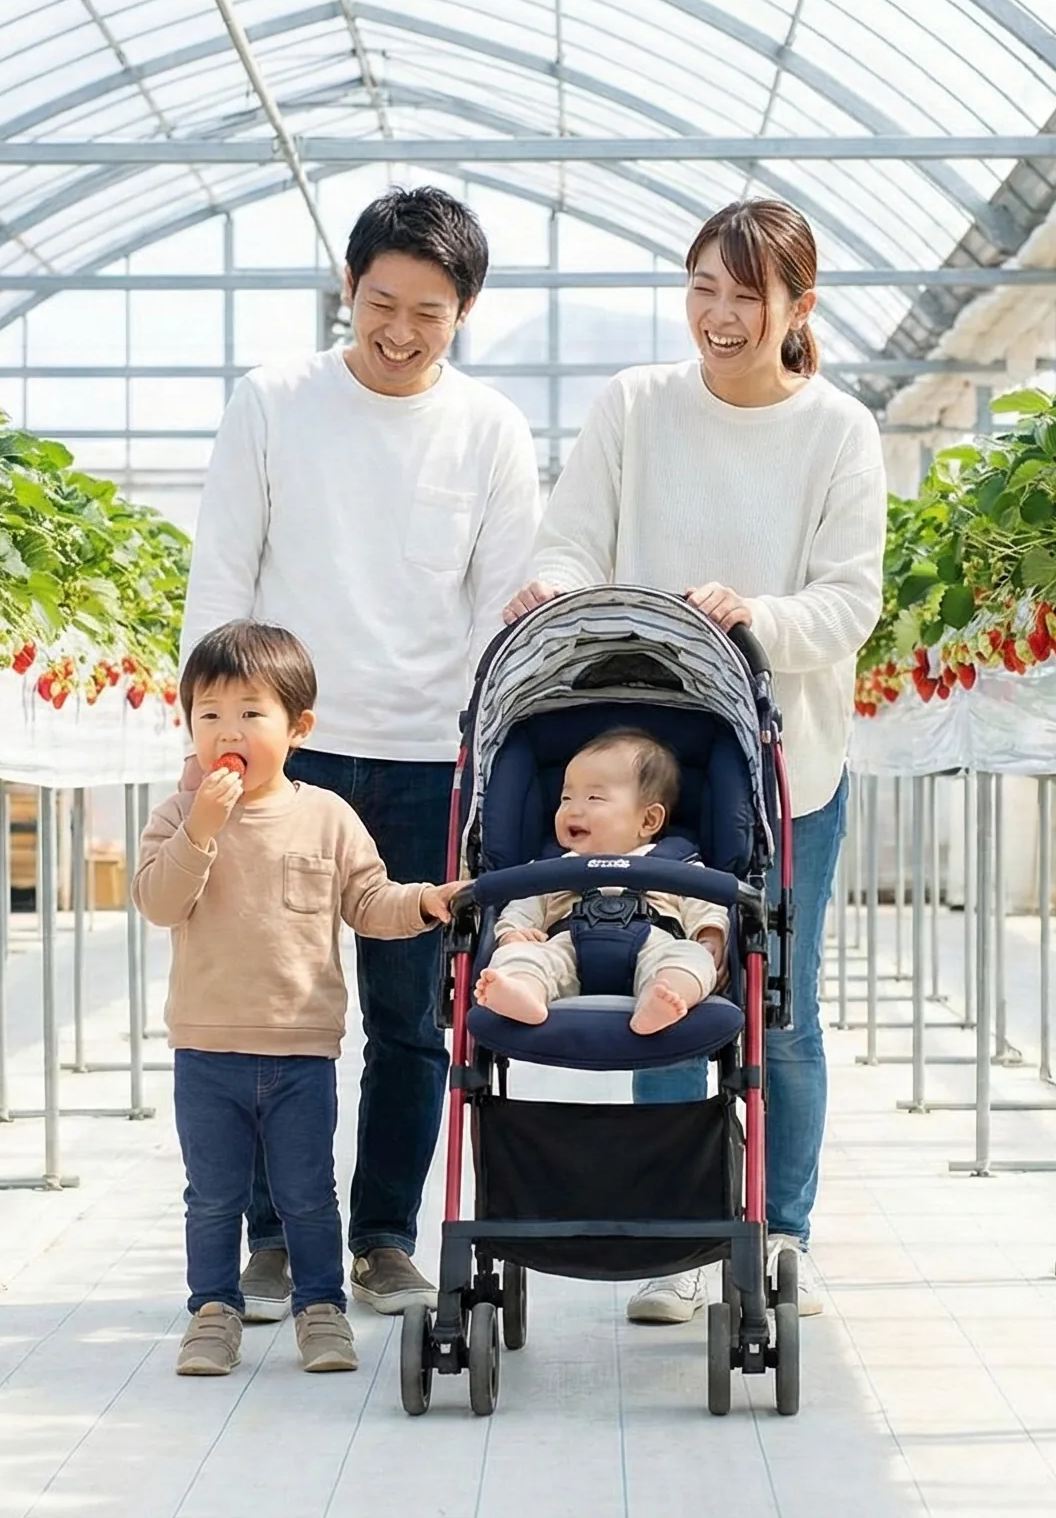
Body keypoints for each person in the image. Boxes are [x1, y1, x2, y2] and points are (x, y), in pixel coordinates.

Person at [504, 199, 884, 1325]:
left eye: (744, 295)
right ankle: (680, 1234)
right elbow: (571, 536)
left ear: (796, 308)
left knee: (779, 1004)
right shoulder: (635, 406)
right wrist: (556, 586)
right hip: (637, 756)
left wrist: (753, 614)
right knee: (657, 984)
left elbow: (848, 604)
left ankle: (782, 1235)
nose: (717, 316)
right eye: (702, 289)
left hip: (783, 765)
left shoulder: (836, 432)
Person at [178, 187, 541, 1321]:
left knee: (408, 1018)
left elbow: (501, 612)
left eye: (427, 312)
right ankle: (277, 1238)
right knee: (267, 1009)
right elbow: (221, 576)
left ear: (463, 311)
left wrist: (497, 765)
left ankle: (382, 1234)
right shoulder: (273, 403)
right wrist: (213, 749)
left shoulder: (488, 429)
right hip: (285, 760)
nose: (397, 329)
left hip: (432, 760)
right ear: (348, 289)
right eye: (379, 301)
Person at [135, 621, 464, 1377]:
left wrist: (424, 902)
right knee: (212, 1198)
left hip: (301, 1051)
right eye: (208, 714)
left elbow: (369, 901)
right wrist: (202, 829)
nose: (228, 730)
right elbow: (158, 900)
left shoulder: (326, 816)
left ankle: (322, 1310)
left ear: (298, 729)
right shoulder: (176, 816)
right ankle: (212, 1313)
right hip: (207, 1049)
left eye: (251, 713)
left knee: (308, 1194)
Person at [474, 729, 726, 1035]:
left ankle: (663, 996)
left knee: (691, 957)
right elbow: (521, 904)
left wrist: (710, 934)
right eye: (566, 797)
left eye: (594, 798)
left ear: (648, 820)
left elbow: (705, 901)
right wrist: (512, 934)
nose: (573, 809)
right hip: (565, 946)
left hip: (655, 942)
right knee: (519, 957)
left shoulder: (676, 863)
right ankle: (524, 991)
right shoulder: (550, 867)